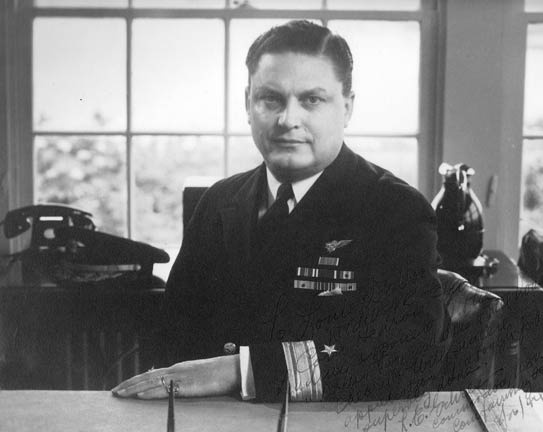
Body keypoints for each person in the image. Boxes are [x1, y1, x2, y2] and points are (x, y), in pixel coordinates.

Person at [112, 20, 450, 402]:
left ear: (347, 108)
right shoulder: (219, 202)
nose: (288, 119)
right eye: (271, 98)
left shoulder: (395, 210)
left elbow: (411, 357)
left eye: (312, 100)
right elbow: (171, 337)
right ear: (248, 105)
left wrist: (241, 370)